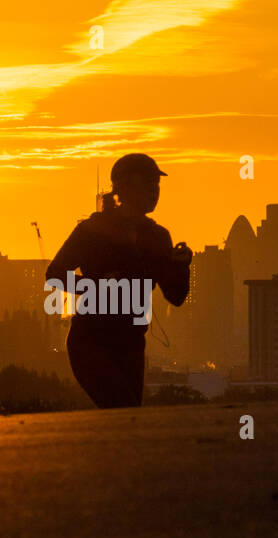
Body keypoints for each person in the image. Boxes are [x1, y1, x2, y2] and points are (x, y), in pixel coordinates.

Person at [46, 153, 192, 408]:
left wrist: (180, 266)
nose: (154, 191)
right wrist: (97, 287)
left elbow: (176, 296)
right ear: (124, 187)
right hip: (90, 343)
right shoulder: (93, 231)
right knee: (122, 408)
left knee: (129, 418)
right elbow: (54, 275)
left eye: (156, 185)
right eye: (148, 183)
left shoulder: (157, 237)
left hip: (131, 346)